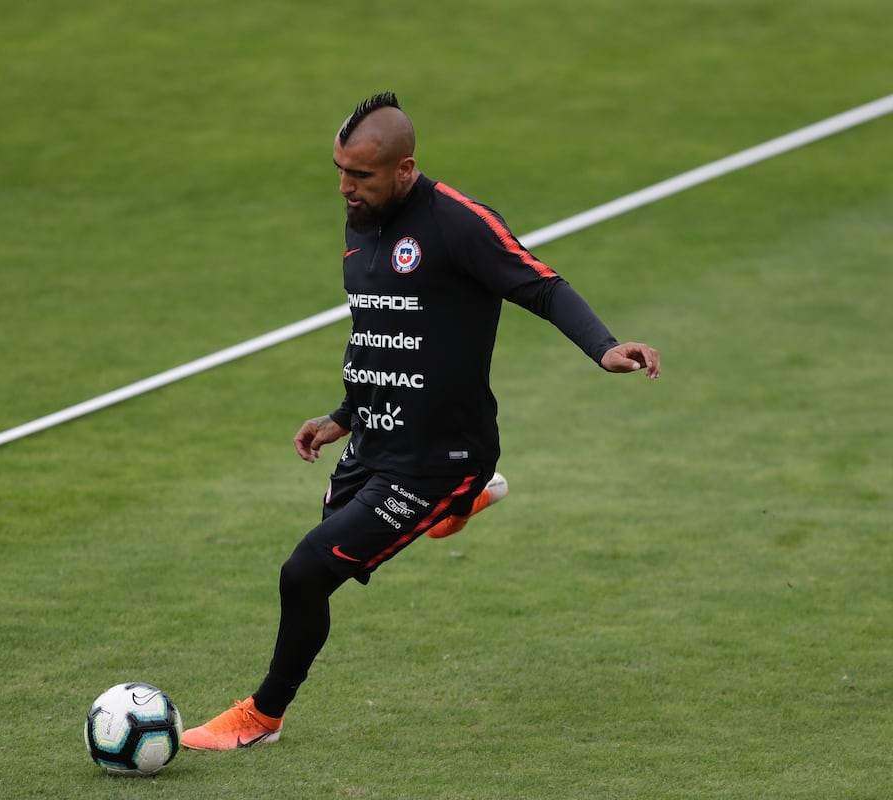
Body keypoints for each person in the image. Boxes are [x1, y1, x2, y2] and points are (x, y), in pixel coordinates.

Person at [180, 92, 661, 751]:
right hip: (376, 439)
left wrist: (604, 347)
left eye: (361, 175)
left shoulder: (458, 223)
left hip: (440, 455)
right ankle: (457, 506)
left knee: (306, 572)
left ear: (404, 169)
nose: (345, 188)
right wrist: (344, 415)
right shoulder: (361, 220)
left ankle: (262, 718)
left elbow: (543, 285)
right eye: (339, 171)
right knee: (327, 551)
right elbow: (383, 332)